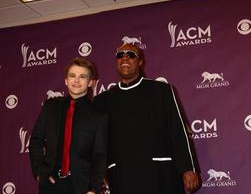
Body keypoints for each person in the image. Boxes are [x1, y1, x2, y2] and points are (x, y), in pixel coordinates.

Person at [94, 43, 199, 194]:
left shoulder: (162, 91)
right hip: (122, 177)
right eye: (120, 55)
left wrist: (188, 168)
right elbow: (98, 144)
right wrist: (98, 175)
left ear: (140, 61)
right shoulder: (102, 101)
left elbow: (178, 131)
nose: (125, 58)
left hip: (160, 175)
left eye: (131, 55)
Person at [29, 57, 108, 194]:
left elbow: (99, 155)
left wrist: (93, 189)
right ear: (66, 80)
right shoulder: (51, 107)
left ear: (90, 82)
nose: (76, 80)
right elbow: (36, 139)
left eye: (82, 76)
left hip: (81, 186)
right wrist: (39, 171)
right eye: (72, 76)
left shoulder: (99, 116)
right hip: (50, 184)